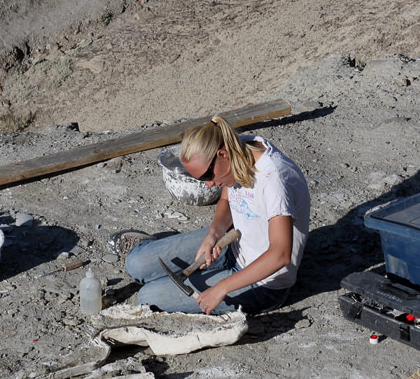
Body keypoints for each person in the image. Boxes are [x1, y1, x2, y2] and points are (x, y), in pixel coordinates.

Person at [115, 116, 310, 315]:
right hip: (231, 245)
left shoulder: (273, 179)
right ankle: (163, 259)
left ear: (222, 154)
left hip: (264, 284)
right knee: (135, 264)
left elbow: (280, 254)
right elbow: (226, 200)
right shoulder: (238, 149)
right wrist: (214, 234)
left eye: (208, 176)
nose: (208, 185)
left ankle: (180, 276)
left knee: (148, 297)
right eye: (199, 179)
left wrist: (221, 288)